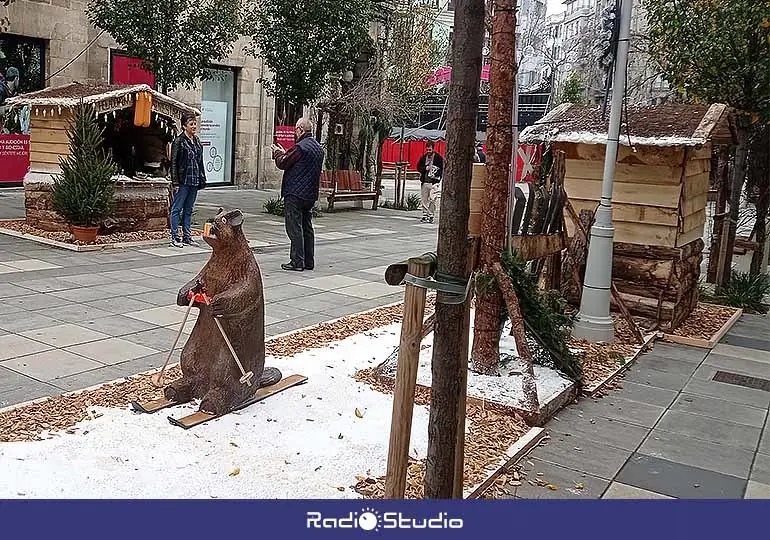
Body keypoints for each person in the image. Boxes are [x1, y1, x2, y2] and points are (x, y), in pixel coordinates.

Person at [271, 117, 324, 272]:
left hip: (295, 192)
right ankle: (309, 261)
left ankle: (297, 261)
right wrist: (284, 153)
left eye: (296, 129)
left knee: (294, 227)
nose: (295, 132)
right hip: (310, 193)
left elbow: (284, 162)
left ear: (300, 129)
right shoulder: (318, 148)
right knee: (307, 227)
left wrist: (277, 153)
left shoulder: (300, 147)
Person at [169, 112, 206, 248]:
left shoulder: (197, 141)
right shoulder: (179, 141)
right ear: (184, 126)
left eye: (195, 123)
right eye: (191, 124)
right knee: (177, 208)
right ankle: (174, 237)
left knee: (189, 209)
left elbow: (200, 161)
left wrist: (202, 177)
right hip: (183, 180)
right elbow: (174, 162)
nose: (194, 126)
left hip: (194, 180)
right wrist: (175, 182)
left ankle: (187, 236)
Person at [416, 141, 444, 223]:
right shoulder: (423, 157)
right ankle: (425, 214)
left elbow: (441, 168)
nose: (428, 151)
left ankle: (431, 214)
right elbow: (418, 167)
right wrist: (425, 168)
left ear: (433, 149)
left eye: (430, 149)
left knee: (432, 199)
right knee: (424, 199)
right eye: (427, 149)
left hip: (434, 182)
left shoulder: (438, 158)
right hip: (425, 181)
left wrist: (438, 178)